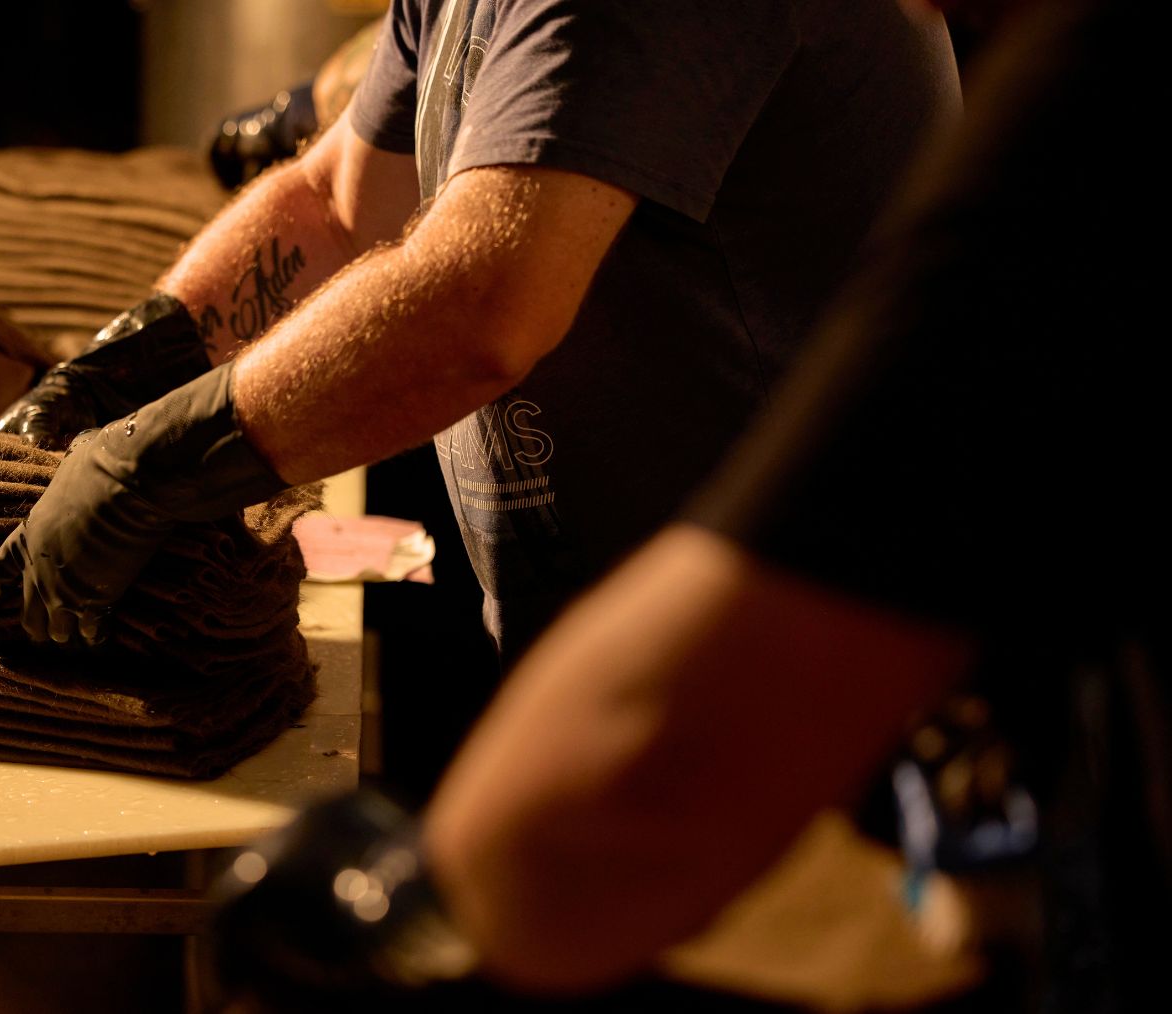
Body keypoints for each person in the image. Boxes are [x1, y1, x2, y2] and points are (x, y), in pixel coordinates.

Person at [212, 0, 1166, 1007]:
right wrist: (130, 387)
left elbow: (672, 762)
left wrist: (426, 909)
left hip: (817, 772)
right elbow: (336, 194)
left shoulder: (1101, 81)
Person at [0, 0, 961, 664]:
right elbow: (335, 202)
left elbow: (481, 306)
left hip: (799, 672)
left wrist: (153, 468)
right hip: (648, 649)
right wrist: (124, 365)